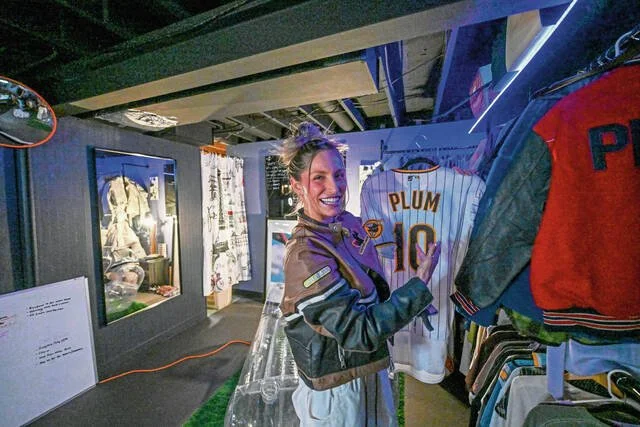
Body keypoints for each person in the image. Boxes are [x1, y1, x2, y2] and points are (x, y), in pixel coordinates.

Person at [278, 122, 441, 426]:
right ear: (297, 185)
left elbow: (369, 282)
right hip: (337, 390)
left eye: (338, 175)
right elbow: (358, 333)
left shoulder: (348, 224)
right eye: (319, 178)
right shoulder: (304, 254)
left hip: (368, 370)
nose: (334, 188)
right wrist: (418, 286)